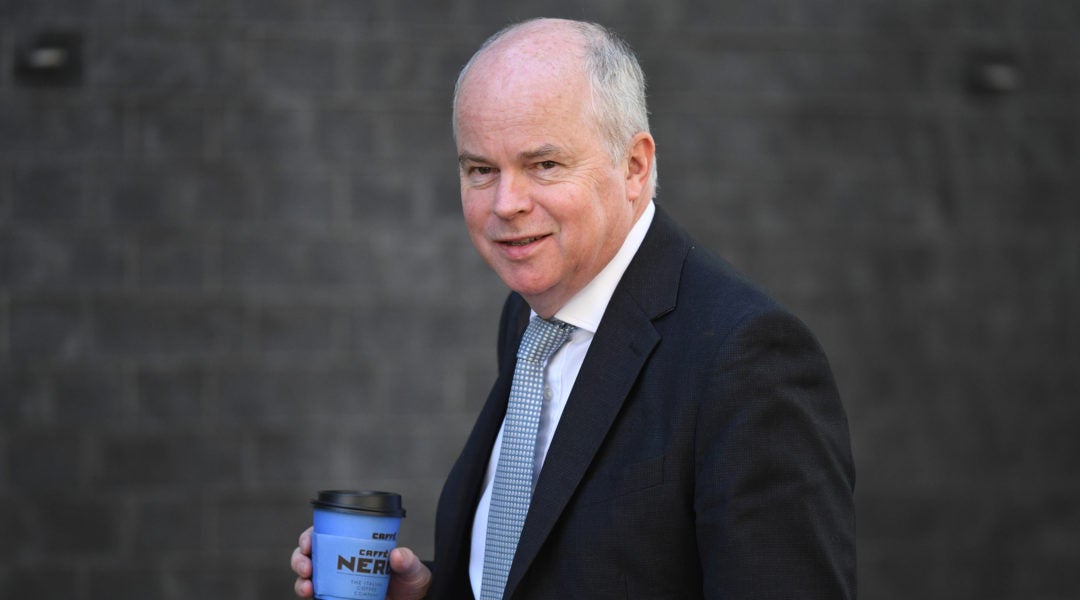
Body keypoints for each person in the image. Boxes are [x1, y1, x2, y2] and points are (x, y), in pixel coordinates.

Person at [291, 17, 856, 599]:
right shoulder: (530, 321)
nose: (506, 204)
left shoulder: (748, 358)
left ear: (634, 166)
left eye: (544, 165)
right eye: (481, 170)